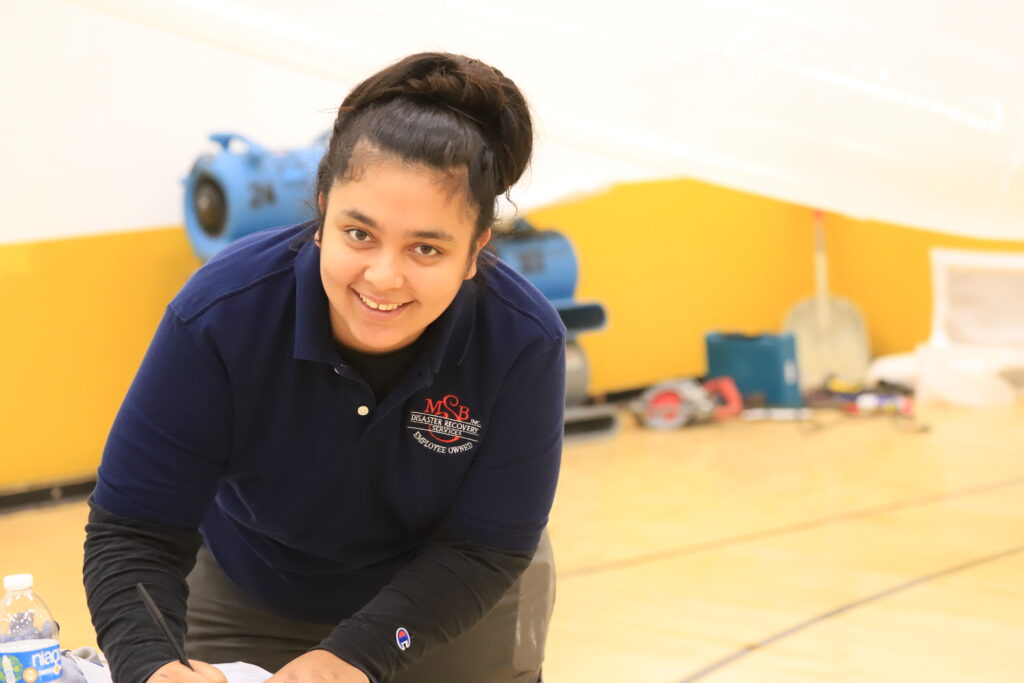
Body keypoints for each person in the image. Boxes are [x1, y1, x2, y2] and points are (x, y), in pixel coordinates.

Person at [83, 52, 565, 683]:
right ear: (321, 213)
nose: (383, 277)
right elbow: (134, 533)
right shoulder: (219, 316)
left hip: (450, 600)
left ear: (475, 251)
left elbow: (482, 549)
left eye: (426, 247)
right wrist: (151, 666)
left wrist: (357, 655)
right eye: (359, 234)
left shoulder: (522, 343)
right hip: (252, 589)